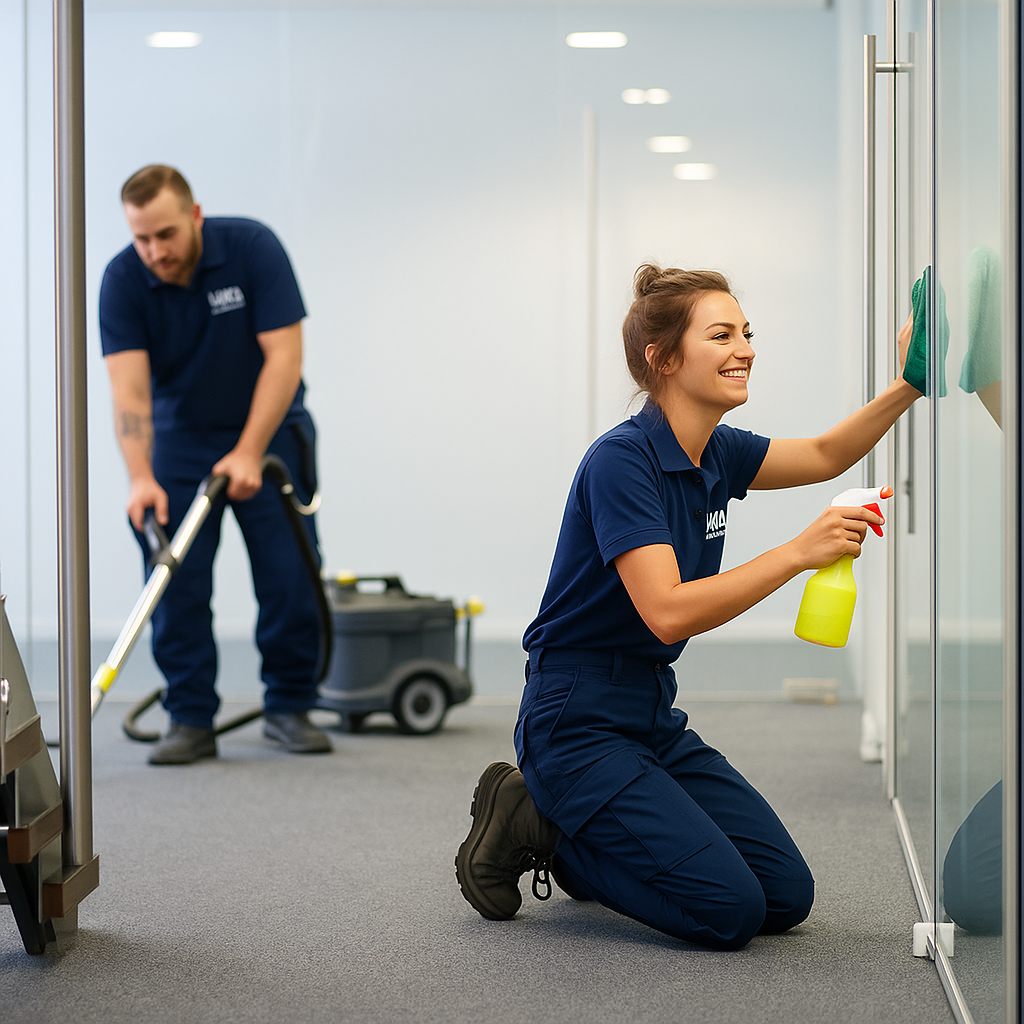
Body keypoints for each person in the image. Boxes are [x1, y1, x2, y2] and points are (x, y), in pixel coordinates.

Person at [455, 265, 921, 949]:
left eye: (747, 332)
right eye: (722, 335)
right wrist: (798, 552)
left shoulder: (716, 451)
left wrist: (910, 381)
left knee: (784, 898)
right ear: (664, 358)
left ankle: (587, 824)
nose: (746, 348)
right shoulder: (622, 461)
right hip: (575, 722)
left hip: (649, 714)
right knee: (727, 912)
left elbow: (826, 454)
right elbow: (667, 612)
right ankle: (544, 827)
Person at [99, 165, 331, 765]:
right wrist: (141, 477)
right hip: (180, 442)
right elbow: (129, 395)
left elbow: (284, 358)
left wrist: (251, 450)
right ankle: (190, 715)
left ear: (195, 215)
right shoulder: (122, 281)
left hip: (271, 431)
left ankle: (288, 705)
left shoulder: (252, 247)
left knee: (288, 577)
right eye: (142, 238)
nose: (155, 252)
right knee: (174, 583)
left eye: (166, 235)